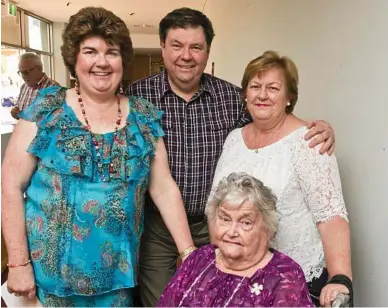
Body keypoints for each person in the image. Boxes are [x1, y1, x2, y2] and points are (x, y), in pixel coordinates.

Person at [126, 7, 336, 306]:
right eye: (177, 45)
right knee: (165, 300)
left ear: (207, 51)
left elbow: (269, 121)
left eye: (196, 47)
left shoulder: (230, 97)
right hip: (158, 228)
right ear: (163, 47)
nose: (186, 55)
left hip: (218, 227)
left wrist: (314, 129)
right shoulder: (138, 98)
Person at [1, 7, 195, 307]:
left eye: (112, 52)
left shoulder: (142, 117)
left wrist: (188, 253)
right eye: (90, 51)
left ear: (122, 60)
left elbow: (163, 188)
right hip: (49, 281)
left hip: (117, 279)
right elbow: (10, 184)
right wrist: (17, 263)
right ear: (74, 59)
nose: (101, 62)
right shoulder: (46, 110)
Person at [210, 50, 353, 307]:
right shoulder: (234, 139)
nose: (262, 95)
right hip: (239, 277)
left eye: (273, 88)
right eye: (255, 86)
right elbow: (217, 204)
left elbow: (331, 216)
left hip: (293, 282)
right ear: (245, 94)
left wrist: (340, 277)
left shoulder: (308, 141)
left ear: (289, 97)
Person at [158, 173, 314, 307]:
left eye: (245, 222)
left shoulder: (284, 275)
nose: (232, 232)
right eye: (225, 219)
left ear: (267, 228)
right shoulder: (200, 259)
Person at [10, 53, 59, 119]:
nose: (23, 76)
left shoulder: (54, 88)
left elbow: (58, 119)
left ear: (38, 69)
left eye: (26, 72)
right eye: (21, 72)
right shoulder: (24, 87)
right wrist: (16, 112)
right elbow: (18, 107)